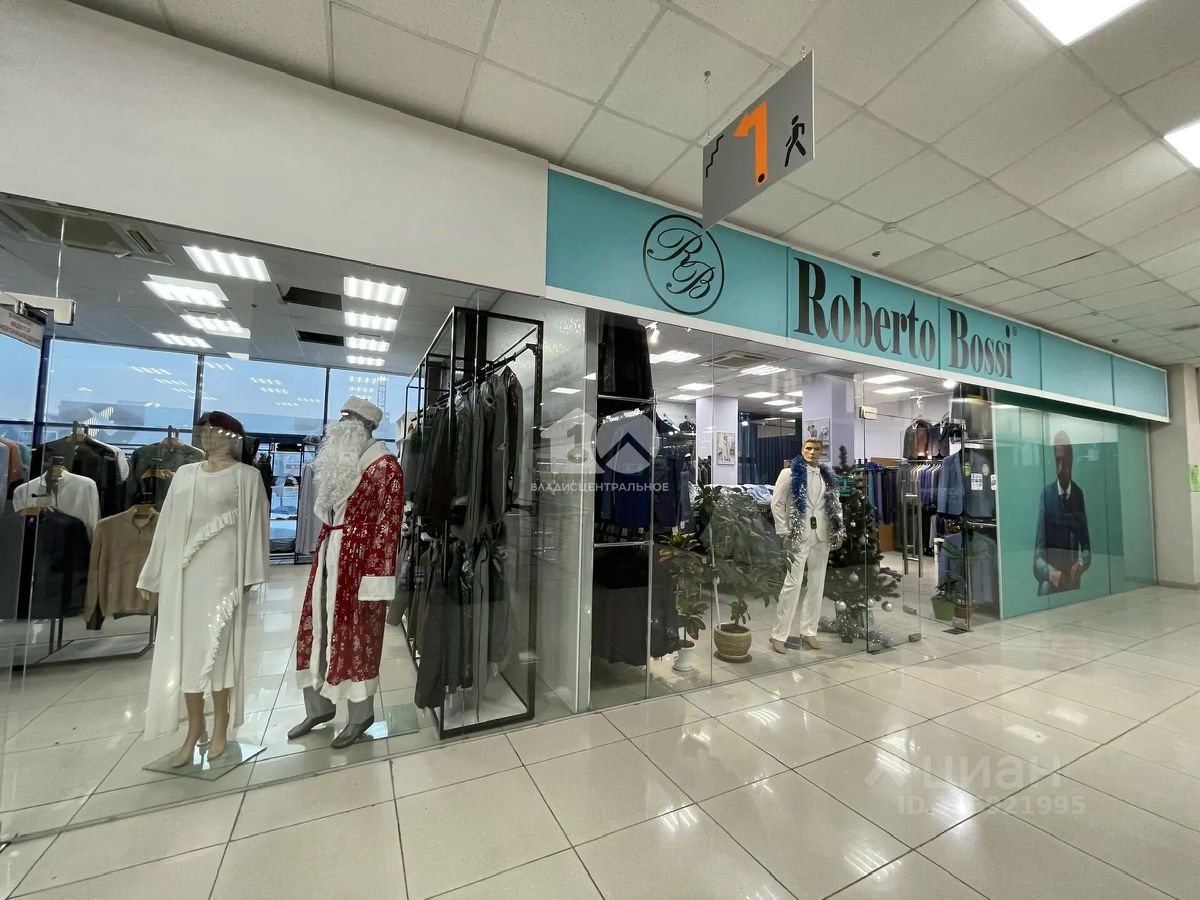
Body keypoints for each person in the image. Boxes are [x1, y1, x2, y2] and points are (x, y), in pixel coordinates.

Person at [139, 411, 269, 767]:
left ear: (233, 437)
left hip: (224, 575)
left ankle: (221, 721)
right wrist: (151, 576)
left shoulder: (247, 477)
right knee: (186, 651)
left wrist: (249, 576)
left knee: (220, 650)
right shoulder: (185, 474)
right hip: (186, 574)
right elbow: (166, 526)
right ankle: (195, 726)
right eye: (206, 431)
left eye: (217, 432)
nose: (210, 437)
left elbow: (257, 526)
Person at [290, 397, 404, 749]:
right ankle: (319, 707)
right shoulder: (339, 465)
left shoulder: (386, 466)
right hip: (329, 555)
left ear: (365, 427)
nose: (341, 426)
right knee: (318, 628)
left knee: (358, 637)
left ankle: (360, 715)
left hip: (360, 565)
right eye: (341, 418)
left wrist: (376, 577)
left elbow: (388, 526)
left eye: (349, 419)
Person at [768, 437, 845, 653]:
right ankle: (779, 634)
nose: (812, 452)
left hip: (822, 534)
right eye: (808, 448)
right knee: (792, 584)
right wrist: (784, 530)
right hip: (798, 534)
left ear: (821, 451)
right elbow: (777, 504)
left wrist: (838, 529)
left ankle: (809, 630)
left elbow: (836, 504)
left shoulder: (828, 476)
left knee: (817, 584)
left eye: (816, 449)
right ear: (802, 450)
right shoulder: (789, 473)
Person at [1034, 430, 1091, 595]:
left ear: (1071, 461)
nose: (1060, 468)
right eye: (1057, 461)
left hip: (1072, 583)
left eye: (1064, 461)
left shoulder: (1078, 495)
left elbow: (1087, 548)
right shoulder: (1047, 495)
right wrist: (1050, 573)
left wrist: (1081, 563)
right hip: (1050, 586)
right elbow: (1037, 559)